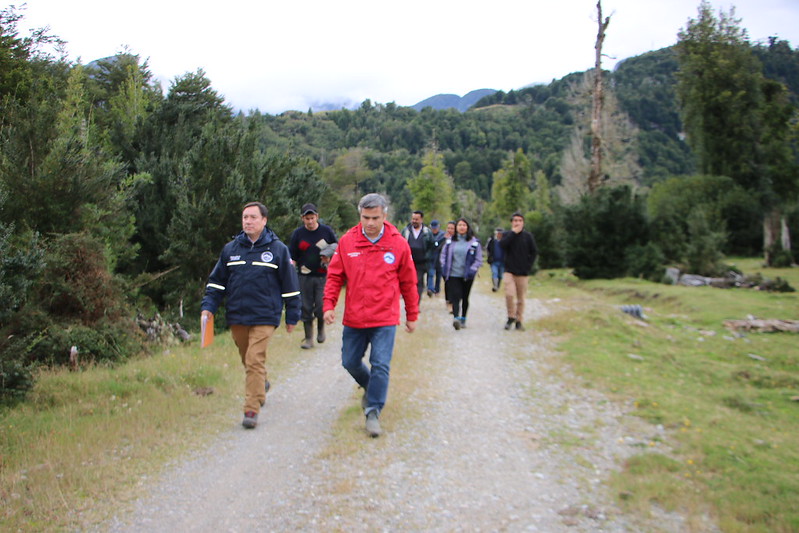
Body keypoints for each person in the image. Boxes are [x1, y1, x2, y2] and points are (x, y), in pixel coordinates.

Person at [323, 193, 419, 438]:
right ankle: (369, 385)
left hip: (385, 317)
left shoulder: (398, 243)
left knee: (381, 364)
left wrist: (412, 314)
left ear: (384, 215)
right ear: (360, 215)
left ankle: (373, 411)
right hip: (355, 317)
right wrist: (329, 305)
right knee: (349, 362)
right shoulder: (348, 242)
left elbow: (409, 282)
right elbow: (335, 276)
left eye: (375, 218)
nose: (370, 223)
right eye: (366, 217)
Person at [201, 202, 300, 429]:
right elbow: (216, 283)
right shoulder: (230, 249)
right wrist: (208, 307)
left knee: (254, 359)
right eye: (245, 217)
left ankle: (251, 409)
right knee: (248, 359)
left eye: (253, 217)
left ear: (264, 220)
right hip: (237, 315)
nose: (248, 221)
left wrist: (293, 315)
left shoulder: (278, 249)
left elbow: (290, 285)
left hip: (266, 315)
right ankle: (260, 384)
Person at [288, 203, 338, 349]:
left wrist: (328, 256)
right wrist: (290, 273)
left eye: (312, 218)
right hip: (304, 276)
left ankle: (321, 329)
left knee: (321, 305)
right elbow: (292, 256)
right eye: (307, 218)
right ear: (302, 218)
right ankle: (309, 338)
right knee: (305, 307)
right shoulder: (298, 234)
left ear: (317, 216)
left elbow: (337, 247)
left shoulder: (326, 231)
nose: (310, 221)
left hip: (323, 275)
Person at [440, 218, 483, 330]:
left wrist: (473, 269)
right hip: (453, 273)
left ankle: (463, 317)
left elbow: (478, 259)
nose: (462, 227)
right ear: (456, 228)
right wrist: (444, 265)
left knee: (465, 296)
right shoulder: (450, 242)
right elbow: (443, 255)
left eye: (464, 225)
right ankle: (456, 318)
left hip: (467, 275)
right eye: (459, 225)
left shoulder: (474, 243)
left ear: (467, 227)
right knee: (455, 295)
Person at [499, 212, 538, 331]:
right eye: (515, 220)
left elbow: (534, 252)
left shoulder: (528, 236)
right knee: (509, 294)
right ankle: (510, 317)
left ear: (523, 223)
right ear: (512, 222)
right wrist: (513, 233)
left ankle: (519, 320)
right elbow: (502, 245)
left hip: (523, 272)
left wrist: (528, 266)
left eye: (520, 221)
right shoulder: (507, 235)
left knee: (521, 298)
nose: (517, 223)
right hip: (509, 271)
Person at [400, 210, 433, 303]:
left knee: (418, 282)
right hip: (408, 262)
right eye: (413, 219)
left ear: (421, 220)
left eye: (416, 219)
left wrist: (427, 257)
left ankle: (416, 303)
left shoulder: (427, 232)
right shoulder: (406, 231)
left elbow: (431, 246)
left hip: (421, 263)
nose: (414, 221)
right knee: (408, 283)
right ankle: (409, 301)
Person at [426, 219, 447, 297]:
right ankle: (430, 289)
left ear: (438, 227)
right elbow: (433, 244)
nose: (434, 230)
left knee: (439, 274)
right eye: (433, 228)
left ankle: (437, 290)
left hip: (439, 257)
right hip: (431, 257)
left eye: (435, 228)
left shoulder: (442, 234)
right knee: (430, 273)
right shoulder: (428, 234)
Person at [442, 221, 456, 314]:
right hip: (446, 266)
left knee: (455, 285)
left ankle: (453, 303)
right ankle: (448, 301)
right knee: (448, 285)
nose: (450, 230)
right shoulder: (443, 239)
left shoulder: (459, 240)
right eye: (448, 228)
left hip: (456, 266)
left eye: (452, 228)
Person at [486, 227, 505, 292]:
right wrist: (489, 257)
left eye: (500, 233)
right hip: (494, 261)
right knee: (494, 273)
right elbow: (488, 249)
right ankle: (495, 286)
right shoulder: (492, 241)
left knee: (500, 275)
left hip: (503, 261)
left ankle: (498, 286)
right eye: (498, 233)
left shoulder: (505, 241)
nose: (499, 235)